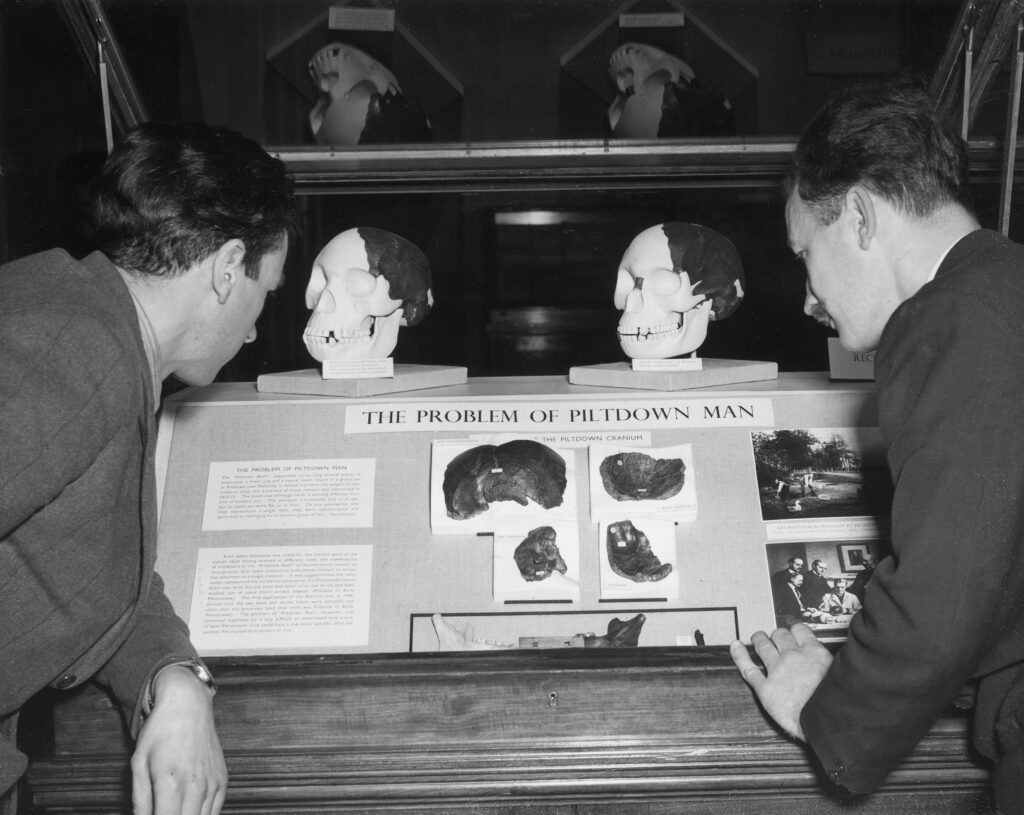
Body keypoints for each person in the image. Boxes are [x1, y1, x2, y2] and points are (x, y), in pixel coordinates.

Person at [729, 76, 1024, 812]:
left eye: (806, 253)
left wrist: (821, 706)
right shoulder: (1005, 287)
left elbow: (944, 598)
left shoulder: (948, 324)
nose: (807, 296)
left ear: (859, 216)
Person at [0, 121, 298, 814]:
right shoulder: (74, 350)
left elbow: (97, 563)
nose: (254, 329)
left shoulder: (90, 322)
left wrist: (177, 676)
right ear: (227, 270)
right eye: (266, 290)